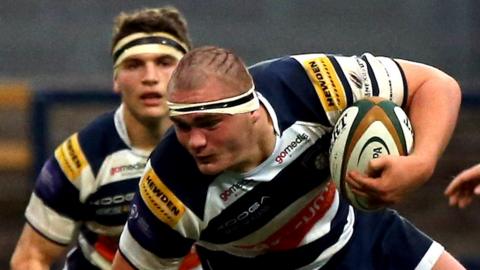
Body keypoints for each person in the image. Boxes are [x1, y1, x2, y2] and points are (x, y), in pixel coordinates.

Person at [112, 46, 465, 270]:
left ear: (251, 111)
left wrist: (421, 163)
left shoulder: (309, 85)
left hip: (357, 236)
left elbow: (435, 85)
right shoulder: (170, 188)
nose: (195, 141)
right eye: (182, 126)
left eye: (209, 123)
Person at [10, 6, 201, 270]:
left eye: (164, 63)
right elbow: (31, 257)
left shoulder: (220, 145)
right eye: (134, 65)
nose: (150, 77)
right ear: (116, 79)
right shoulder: (80, 158)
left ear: (185, 74)